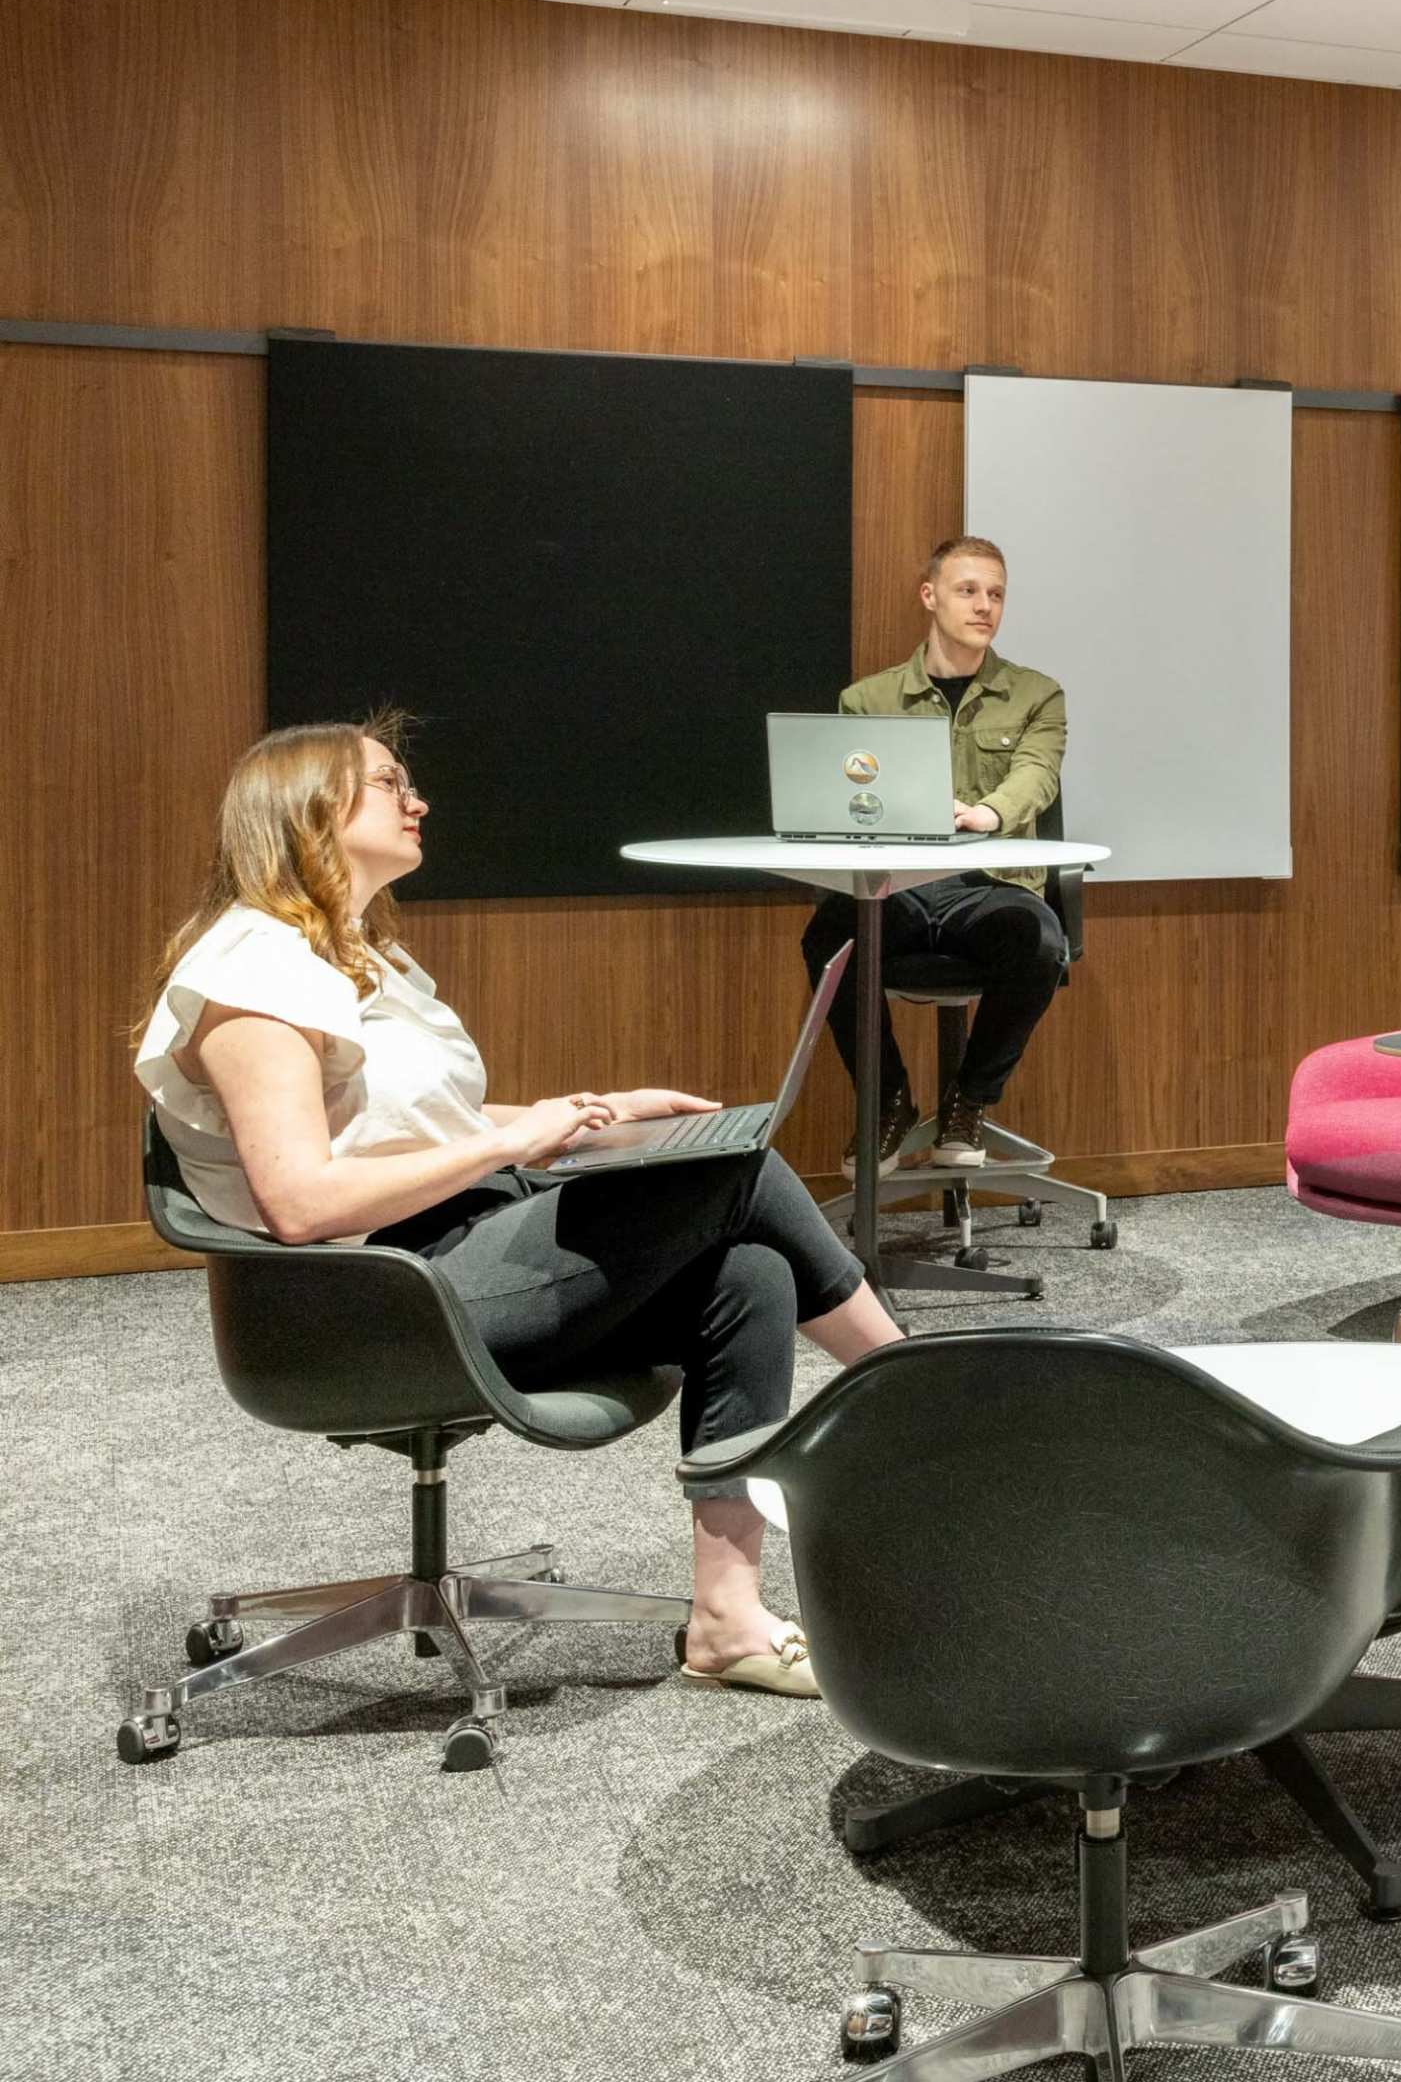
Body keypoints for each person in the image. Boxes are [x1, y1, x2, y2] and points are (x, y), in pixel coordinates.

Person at [136, 718, 903, 1698]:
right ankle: (910, 1391)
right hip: (369, 1302)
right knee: (736, 1175)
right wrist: (508, 1142)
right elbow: (299, 1201)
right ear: (309, 808)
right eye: (389, 783)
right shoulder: (252, 974)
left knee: (746, 1273)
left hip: (453, 1249)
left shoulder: (352, 957)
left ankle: (726, 1618)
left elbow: (411, 1125)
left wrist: (589, 1114)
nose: (418, 801)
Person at [802, 533, 1070, 1170]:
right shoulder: (866, 700)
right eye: (968, 590)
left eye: (996, 594)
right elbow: (850, 800)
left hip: (990, 884)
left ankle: (968, 1102)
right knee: (829, 934)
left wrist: (988, 813)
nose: (984, 606)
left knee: (1038, 940)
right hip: (901, 887)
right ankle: (887, 1100)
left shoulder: (1037, 695)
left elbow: (1037, 774)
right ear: (930, 596)